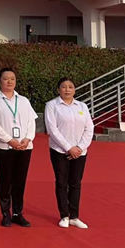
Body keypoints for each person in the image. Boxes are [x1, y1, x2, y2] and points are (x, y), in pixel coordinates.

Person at [0, 68, 37, 228]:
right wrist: (9, 140)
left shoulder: (23, 101)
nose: (9, 81)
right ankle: (5, 213)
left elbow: (31, 121)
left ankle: (17, 213)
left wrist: (27, 139)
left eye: (12, 79)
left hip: (24, 147)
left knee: (20, 181)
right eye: (6, 78)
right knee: (6, 180)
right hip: (4, 147)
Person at [45, 77, 93, 229]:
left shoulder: (82, 106)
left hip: (79, 152)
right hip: (59, 150)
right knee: (61, 182)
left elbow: (89, 128)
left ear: (74, 90)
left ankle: (74, 216)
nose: (67, 90)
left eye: (70, 87)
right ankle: (64, 215)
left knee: (75, 183)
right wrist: (68, 148)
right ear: (58, 89)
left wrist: (79, 147)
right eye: (64, 87)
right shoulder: (52, 106)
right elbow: (52, 129)